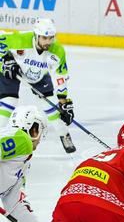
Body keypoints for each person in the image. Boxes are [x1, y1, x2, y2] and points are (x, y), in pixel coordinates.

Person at [0, 18, 76, 153]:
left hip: (39, 75)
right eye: (44, 38)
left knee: (51, 107)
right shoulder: (21, 39)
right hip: (14, 71)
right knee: (9, 102)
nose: (48, 42)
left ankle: (64, 135)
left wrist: (63, 102)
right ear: (36, 35)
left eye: (50, 38)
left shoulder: (57, 51)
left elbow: (60, 77)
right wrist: (4, 61)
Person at [0, 106, 49, 222]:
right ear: (34, 128)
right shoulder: (21, 139)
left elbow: (13, 201)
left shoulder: (23, 157)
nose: (40, 140)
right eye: (41, 133)